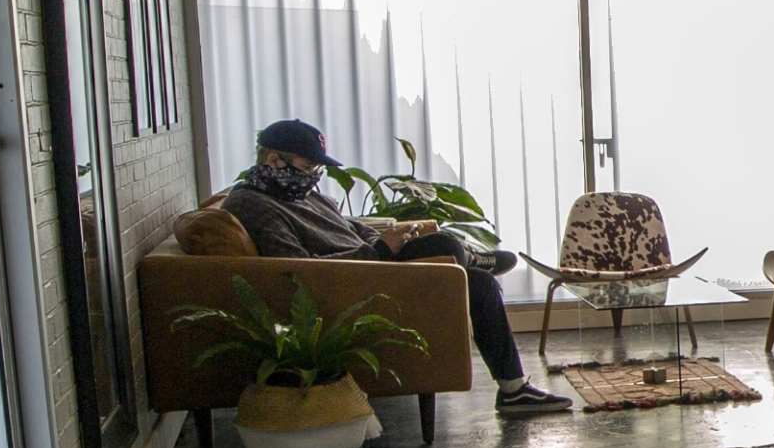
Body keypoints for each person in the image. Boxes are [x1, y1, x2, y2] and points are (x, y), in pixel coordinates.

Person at [221, 120, 573, 416]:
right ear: (273, 159)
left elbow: (346, 228)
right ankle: (470, 255)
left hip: (370, 264)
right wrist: (378, 249)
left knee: (479, 284)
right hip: (353, 284)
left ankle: (513, 390)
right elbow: (297, 271)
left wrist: (390, 236)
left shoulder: (298, 192)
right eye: (309, 166)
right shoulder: (253, 203)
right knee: (447, 247)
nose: (315, 175)